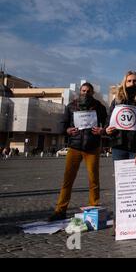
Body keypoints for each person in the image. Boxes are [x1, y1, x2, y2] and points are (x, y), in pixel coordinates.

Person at [49, 83, 107, 221]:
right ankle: (60, 210)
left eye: (88, 91)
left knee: (94, 180)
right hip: (74, 147)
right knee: (67, 180)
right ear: (80, 92)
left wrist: (102, 130)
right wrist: (67, 130)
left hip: (92, 148)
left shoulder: (100, 107)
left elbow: (106, 123)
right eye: (83, 90)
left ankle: (94, 207)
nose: (85, 93)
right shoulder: (70, 106)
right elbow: (63, 125)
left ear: (92, 93)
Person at [105, 71, 136, 164]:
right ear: (125, 83)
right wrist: (107, 130)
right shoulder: (117, 100)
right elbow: (108, 121)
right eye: (129, 81)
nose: (132, 83)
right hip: (118, 146)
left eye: (135, 81)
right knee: (120, 177)